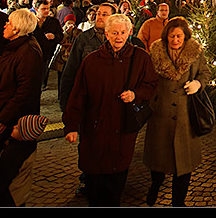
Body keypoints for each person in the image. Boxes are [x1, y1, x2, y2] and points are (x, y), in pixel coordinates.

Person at [63, 13, 159, 206]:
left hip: (122, 129)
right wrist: (71, 125)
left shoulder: (140, 58)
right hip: (94, 129)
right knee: (94, 184)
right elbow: (79, 94)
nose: (119, 37)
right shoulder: (91, 61)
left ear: (130, 33)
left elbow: (152, 85)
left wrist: (135, 94)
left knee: (115, 184)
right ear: (106, 34)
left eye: (123, 32)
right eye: (114, 33)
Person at [0, 8, 44, 206]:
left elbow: (25, 91)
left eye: (8, 23)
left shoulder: (28, 52)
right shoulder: (15, 48)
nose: (4, 26)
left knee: (7, 179)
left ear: (17, 29)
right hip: (2, 113)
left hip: (14, 124)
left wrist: (4, 118)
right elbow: (12, 77)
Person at [143, 16, 212, 207]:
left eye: (179, 36)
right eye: (172, 36)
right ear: (166, 37)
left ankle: (178, 202)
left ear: (185, 37)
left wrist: (198, 84)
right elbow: (147, 79)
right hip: (161, 114)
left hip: (185, 116)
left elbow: (205, 73)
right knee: (158, 161)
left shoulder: (195, 53)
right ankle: (155, 185)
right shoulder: (156, 52)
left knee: (184, 164)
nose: (175, 40)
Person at [32, 0, 64, 91]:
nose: (47, 11)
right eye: (43, 9)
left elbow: (60, 35)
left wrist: (54, 36)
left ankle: (41, 86)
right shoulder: (31, 21)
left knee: (43, 72)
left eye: (48, 8)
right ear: (36, 9)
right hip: (32, 52)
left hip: (46, 53)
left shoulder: (54, 22)